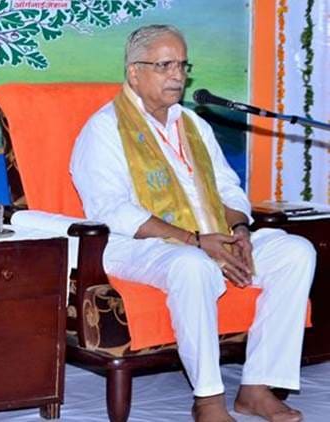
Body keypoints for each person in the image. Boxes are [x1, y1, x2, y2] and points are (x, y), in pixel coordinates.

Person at [70, 24, 315, 422]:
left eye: (182, 65)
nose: (177, 76)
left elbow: (228, 188)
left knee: (295, 251)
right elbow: (110, 209)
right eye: (164, 65)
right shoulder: (104, 128)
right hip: (136, 246)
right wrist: (195, 240)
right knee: (192, 264)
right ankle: (208, 399)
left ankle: (257, 387)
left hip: (210, 236)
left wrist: (239, 232)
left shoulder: (193, 125)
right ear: (134, 72)